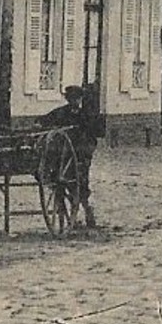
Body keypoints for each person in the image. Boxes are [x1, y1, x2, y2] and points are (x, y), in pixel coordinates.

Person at [38, 84, 101, 228]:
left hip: (80, 154)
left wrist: (86, 151)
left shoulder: (86, 115)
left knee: (81, 183)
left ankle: (86, 209)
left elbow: (92, 136)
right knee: (60, 182)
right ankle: (66, 214)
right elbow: (44, 120)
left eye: (77, 99)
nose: (74, 101)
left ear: (80, 99)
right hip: (62, 155)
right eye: (71, 99)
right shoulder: (61, 113)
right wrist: (39, 124)